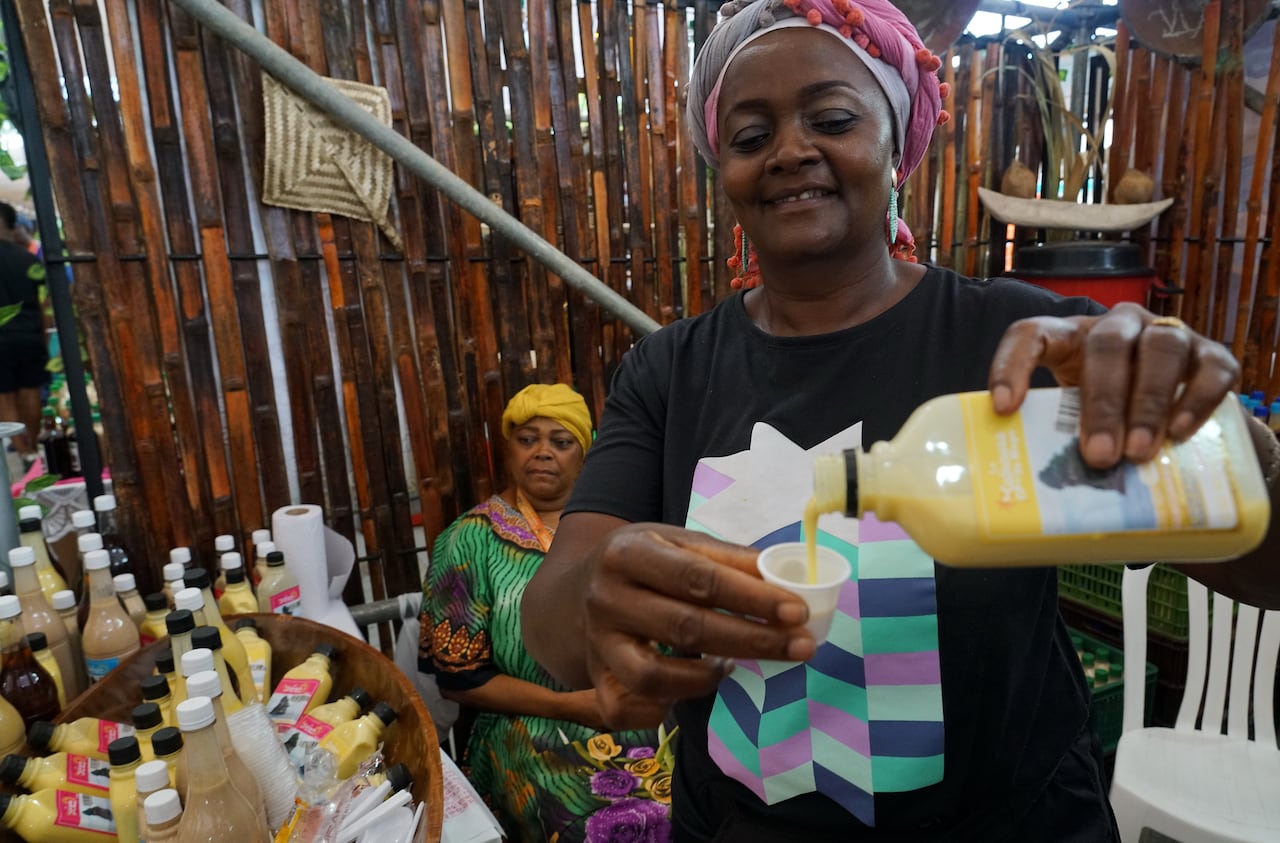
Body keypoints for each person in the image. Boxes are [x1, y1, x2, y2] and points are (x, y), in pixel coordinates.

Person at [520, 1, 1280, 841]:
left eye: (832, 119)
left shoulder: (1024, 347)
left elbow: (1265, 566)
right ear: (723, 170)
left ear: (898, 139)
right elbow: (551, 625)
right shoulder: (670, 372)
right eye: (750, 135)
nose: (789, 150)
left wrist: (1230, 448)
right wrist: (594, 599)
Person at [419, 383, 672, 843]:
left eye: (561, 441)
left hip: (639, 718)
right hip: (529, 728)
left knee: (705, 804)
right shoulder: (469, 541)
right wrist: (571, 706)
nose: (543, 452)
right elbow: (458, 680)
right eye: (527, 439)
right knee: (596, 829)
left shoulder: (626, 527)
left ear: (585, 454)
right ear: (508, 450)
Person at [0, 201, 49, 467]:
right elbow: (44, 305)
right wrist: (44, 337)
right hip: (30, 335)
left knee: (4, 395)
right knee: (31, 389)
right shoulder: (29, 259)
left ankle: (22, 452)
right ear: (11, 225)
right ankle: (33, 446)